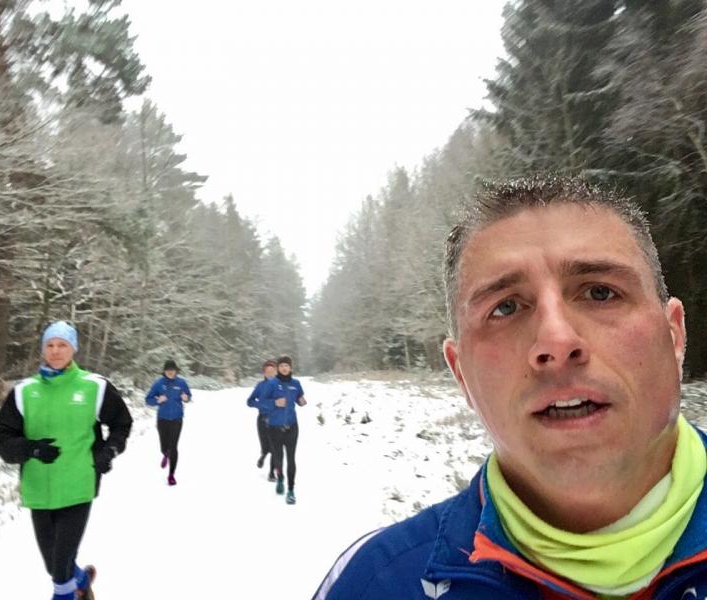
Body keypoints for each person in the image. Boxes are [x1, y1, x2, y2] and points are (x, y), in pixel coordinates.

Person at [312, 176, 707, 599]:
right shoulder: (375, 584)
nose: (556, 341)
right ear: (461, 373)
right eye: (505, 307)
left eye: (599, 292)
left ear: (674, 335)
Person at [0, 320, 132, 600]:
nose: (55, 351)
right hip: (38, 489)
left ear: (73, 349)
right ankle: (81, 579)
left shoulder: (94, 387)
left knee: (59, 570)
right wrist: (31, 449)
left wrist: (108, 451)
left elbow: (121, 423)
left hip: (78, 484)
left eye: (62, 345)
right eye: (50, 345)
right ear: (43, 349)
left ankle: (66, 593)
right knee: (53, 565)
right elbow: (2, 436)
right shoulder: (24, 391)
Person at [260, 355, 306, 504]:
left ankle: (291, 490)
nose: (284, 368)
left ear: (290, 367)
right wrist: (275, 403)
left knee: (291, 459)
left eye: (287, 365)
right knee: (278, 458)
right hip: (275, 427)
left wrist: (301, 401)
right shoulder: (271, 384)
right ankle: (280, 478)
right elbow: (261, 402)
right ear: (278, 368)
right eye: (281, 366)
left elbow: (299, 398)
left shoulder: (296, 383)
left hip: (292, 426)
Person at [145, 359, 192, 485]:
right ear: (164, 371)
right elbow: (148, 399)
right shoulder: (159, 384)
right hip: (162, 419)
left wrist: (186, 398)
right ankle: (165, 453)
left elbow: (188, 396)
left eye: (172, 370)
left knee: (174, 446)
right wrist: (158, 400)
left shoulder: (181, 383)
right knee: (164, 446)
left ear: (176, 371)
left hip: (177, 419)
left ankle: (171, 475)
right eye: (168, 370)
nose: (170, 372)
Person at [247, 358, 278, 481]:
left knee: (275, 448)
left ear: (276, 372)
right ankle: (263, 455)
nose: (270, 373)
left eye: (272, 371)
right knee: (265, 445)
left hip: (277, 419)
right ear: (264, 373)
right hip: (262, 419)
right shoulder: (260, 386)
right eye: (267, 371)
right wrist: (260, 405)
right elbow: (249, 401)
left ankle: (272, 473)